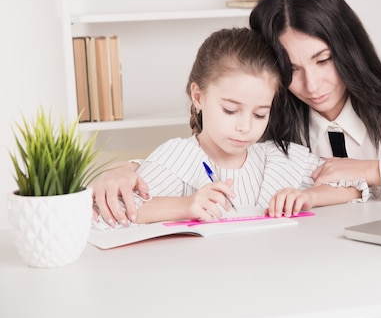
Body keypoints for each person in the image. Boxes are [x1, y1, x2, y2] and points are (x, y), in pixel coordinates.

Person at [92, 0, 381, 225]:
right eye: (292, 70)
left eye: (323, 60)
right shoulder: (270, 123)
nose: (313, 84)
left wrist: (373, 170)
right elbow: (206, 152)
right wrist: (123, 170)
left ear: (347, 46)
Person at [92, 27, 365, 228]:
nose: (245, 127)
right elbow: (107, 214)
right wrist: (186, 206)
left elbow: (357, 186)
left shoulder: (281, 158)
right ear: (198, 97)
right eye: (230, 110)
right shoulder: (177, 158)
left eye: (260, 114)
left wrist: (308, 197)